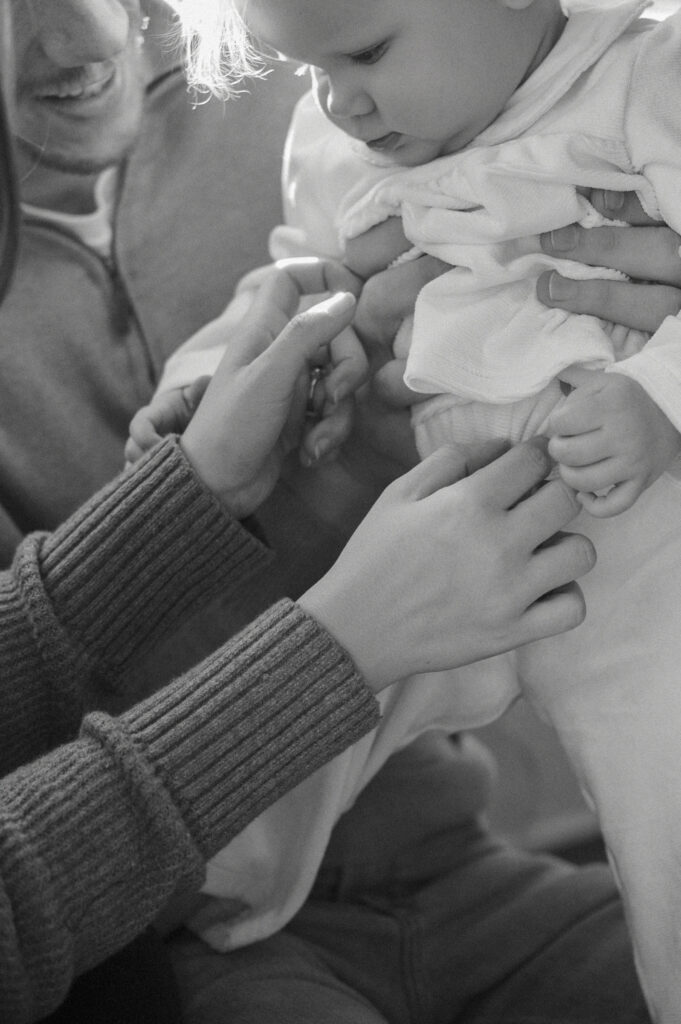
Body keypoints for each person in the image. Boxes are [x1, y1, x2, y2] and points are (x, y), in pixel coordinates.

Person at [159, 0, 681, 1019]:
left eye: (365, 53)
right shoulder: (336, 136)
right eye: (304, 68)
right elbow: (294, 278)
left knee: (664, 790)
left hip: (628, 542)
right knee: (282, 711)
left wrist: (661, 399)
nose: (339, 100)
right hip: (421, 524)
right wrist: (204, 385)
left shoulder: (645, 80)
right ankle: (202, 894)